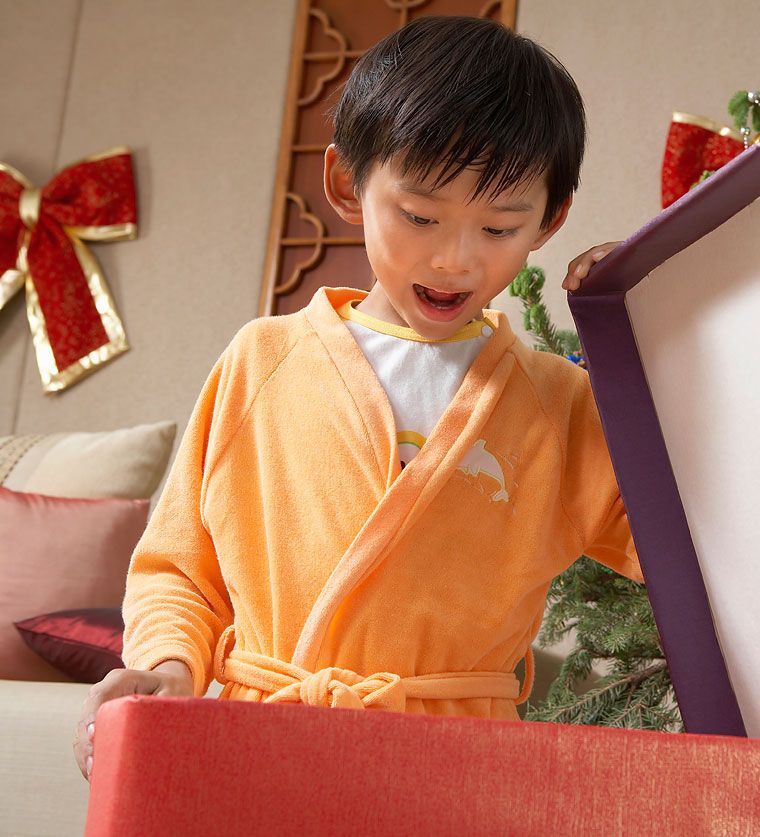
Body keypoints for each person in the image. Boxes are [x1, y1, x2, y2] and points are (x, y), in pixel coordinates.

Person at [74, 15, 637, 782]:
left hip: (456, 775)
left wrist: (651, 350)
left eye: (500, 226)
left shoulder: (560, 404)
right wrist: (171, 665)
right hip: (258, 748)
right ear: (347, 183)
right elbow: (181, 567)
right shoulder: (262, 360)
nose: (454, 258)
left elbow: (688, 547)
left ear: (549, 220)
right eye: (419, 215)